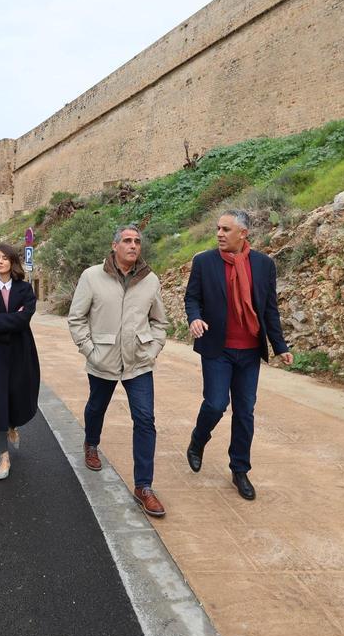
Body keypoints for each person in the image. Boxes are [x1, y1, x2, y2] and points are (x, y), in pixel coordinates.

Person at [184, 210, 293, 501]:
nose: (219, 233)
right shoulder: (204, 262)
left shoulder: (263, 265)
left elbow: (269, 308)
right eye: (218, 228)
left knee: (245, 412)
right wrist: (194, 318)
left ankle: (240, 469)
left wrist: (280, 346)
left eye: (226, 229)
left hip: (249, 352)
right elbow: (192, 297)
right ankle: (198, 440)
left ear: (243, 234)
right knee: (216, 403)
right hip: (216, 349)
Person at [67, 225, 169, 518]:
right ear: (114, 246)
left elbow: (160, 321)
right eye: (127, 241)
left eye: (137, 241)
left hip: (138, 362)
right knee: (97, 407)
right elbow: (76, 319)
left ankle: (144, 487)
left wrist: (152, 349)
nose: (133, 245)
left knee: (145, 419)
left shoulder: (150, 280)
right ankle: (92, 443)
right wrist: (90, 351)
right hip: (103, 360)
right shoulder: (92, 276)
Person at [0, 243, 40, 480]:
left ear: (13, 261)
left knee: (16, 396)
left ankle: (13, 425)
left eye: (4, 257)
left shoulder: (25, 289)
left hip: (20, 353)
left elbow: (24, 319)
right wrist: (9, 319)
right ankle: (3, 456)